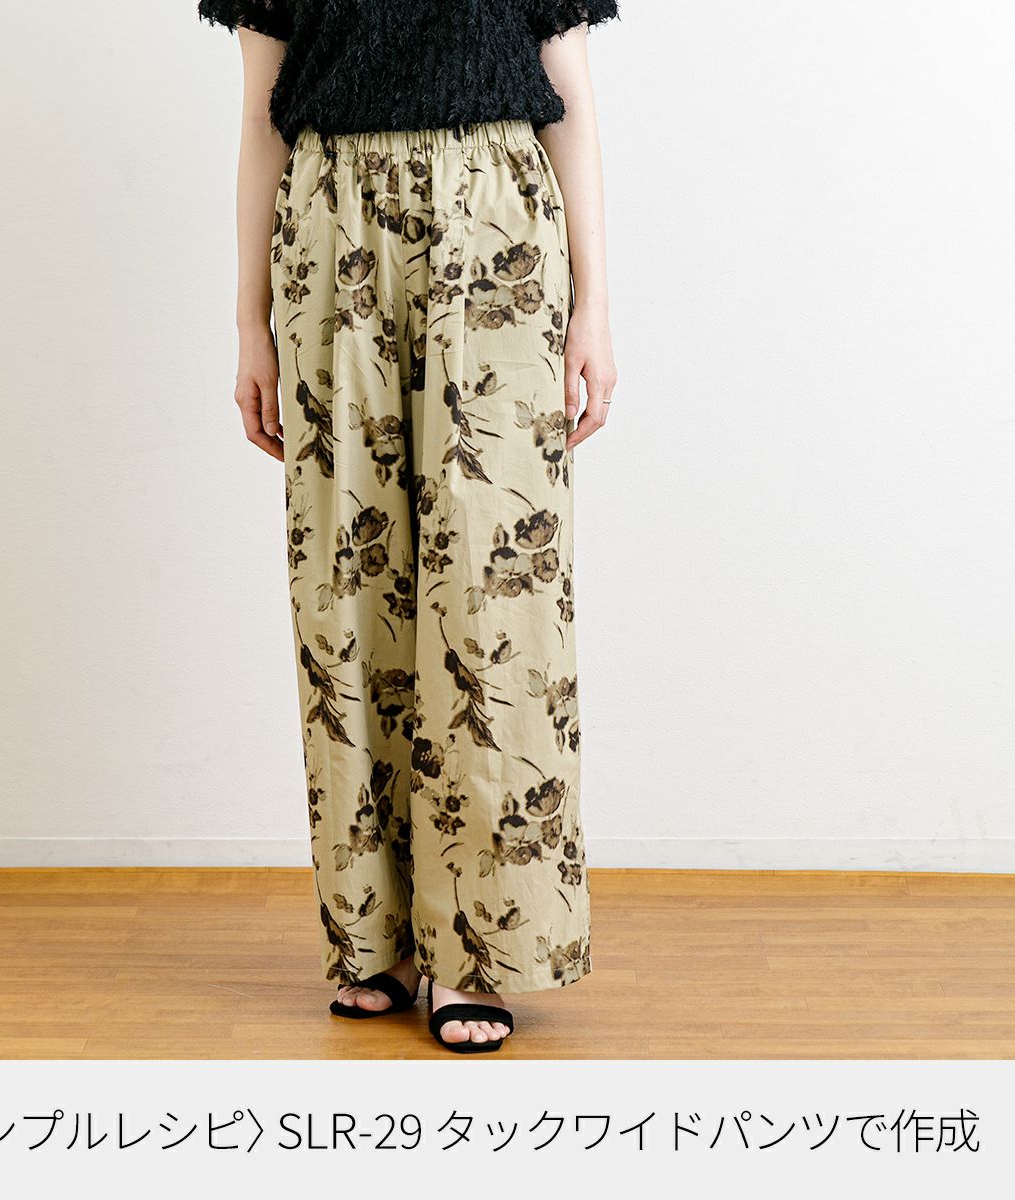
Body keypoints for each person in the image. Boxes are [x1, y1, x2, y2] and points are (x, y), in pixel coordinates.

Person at [199, 0, 618, 1054]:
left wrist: (595, 308)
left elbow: (569, 100)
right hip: (331, 225)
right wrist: (249, 324)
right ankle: (374, 933)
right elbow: (261, 116)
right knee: (351, 578)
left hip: (498, 222)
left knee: (493, 591)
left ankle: (480, 947)